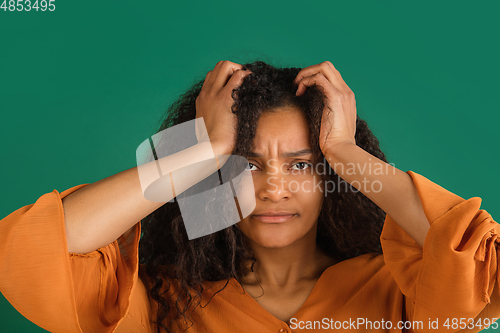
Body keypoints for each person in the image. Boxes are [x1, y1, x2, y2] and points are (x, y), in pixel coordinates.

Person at [0, 60, 499, 333]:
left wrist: (344, 151)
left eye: (302, 164)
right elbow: (30, 251)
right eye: (245, 165)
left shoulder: (402, 292)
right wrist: (205, 149)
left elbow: (485, 269)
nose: (273, 187)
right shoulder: (163, 301)